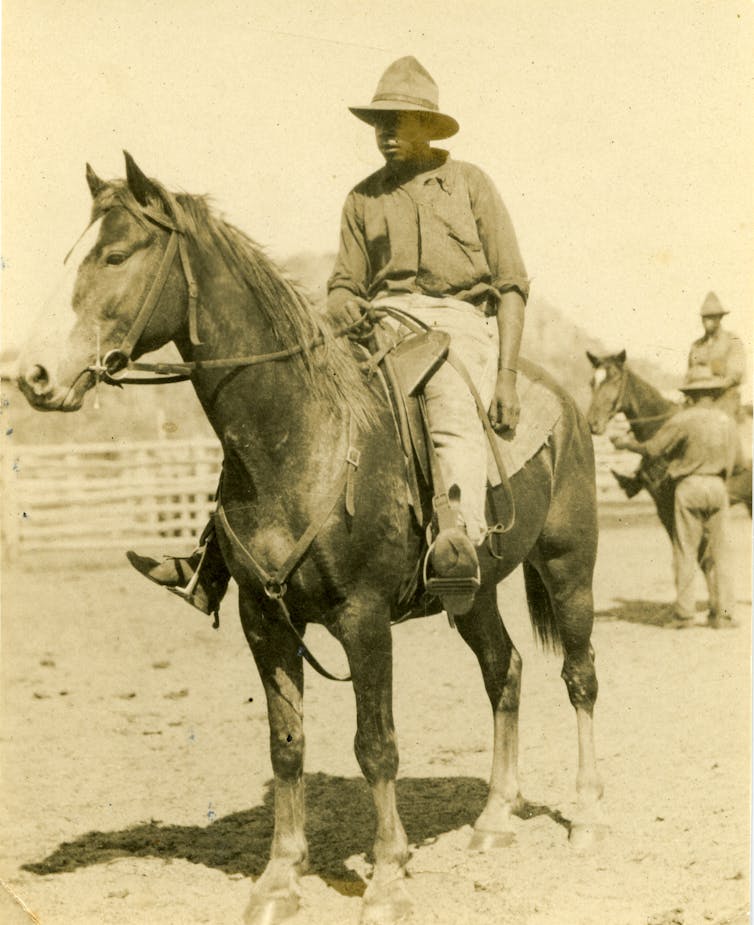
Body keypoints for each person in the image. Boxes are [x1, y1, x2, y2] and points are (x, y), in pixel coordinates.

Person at [128, 55, 528, 617]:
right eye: (378, 123)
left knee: (448, 404)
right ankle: (210, 558)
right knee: (283, 406)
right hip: (381, 323)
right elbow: (344, 284)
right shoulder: (362, 199)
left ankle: (456, 540)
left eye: (399, 121)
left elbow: (511, 284)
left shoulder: (469, 184)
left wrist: (506, 376)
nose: (385, 134)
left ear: (428, 125)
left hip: (455, 322)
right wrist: (344, 309)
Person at [611, 366, 739, 628]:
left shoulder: (683, 420)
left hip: (689, 488)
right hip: (717, 488)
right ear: (713, 394)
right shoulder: (727, 422)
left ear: (691, 394)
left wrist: (625, 444)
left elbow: (652, 449)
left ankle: (684, 614)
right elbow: (739, 463)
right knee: (720, 553)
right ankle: (723, 614)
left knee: (685, 551)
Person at [687, 292, 746, 418]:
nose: (706, 321)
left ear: (719, 318)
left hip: (724, 398)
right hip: (696, 400)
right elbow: (689, 374)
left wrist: (707, 372)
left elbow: (735, 374)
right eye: (704, 317)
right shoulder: (696, 345)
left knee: (720, 426)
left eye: (711, 317)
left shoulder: (732, 341)